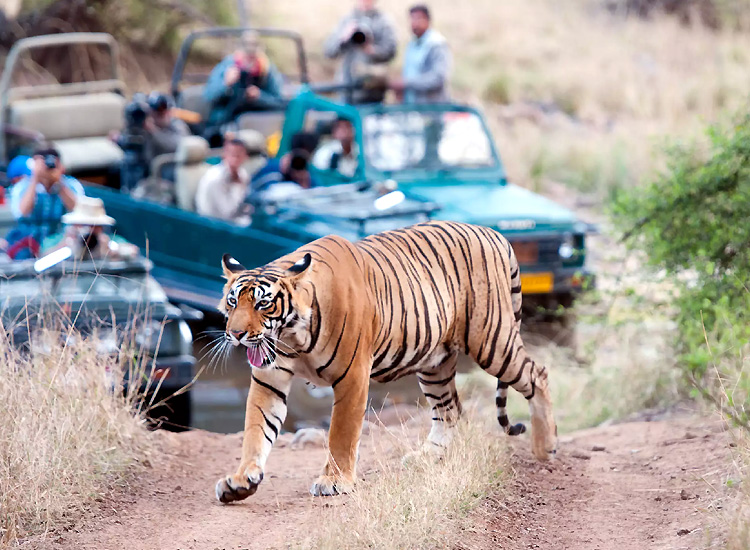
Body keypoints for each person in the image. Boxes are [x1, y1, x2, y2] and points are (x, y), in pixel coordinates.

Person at [8, 147, 84, 258]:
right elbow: (22, 212)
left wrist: (59, 183)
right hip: (29, 243)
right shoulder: (23, 186)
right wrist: (35, 178)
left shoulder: (71, 184)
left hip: (59, 242)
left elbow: (79, 211)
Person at [203, 32, 284, 132]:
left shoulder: (266, 69)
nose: (249, 62)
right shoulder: (227, 66)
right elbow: (209, 96)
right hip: (225, 122)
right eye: (247, 55)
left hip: (256, 123)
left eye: (252, 56)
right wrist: (226, 84)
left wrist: (259, 97)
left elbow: (279, 102)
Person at [323, 0, 397, 104]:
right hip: (347, 88)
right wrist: (344, 37)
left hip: (373, 89)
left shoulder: (383, 21)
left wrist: (371, 50)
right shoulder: (346, 20)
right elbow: (329, 51)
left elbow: (391, 51)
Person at [41, 196, 138, 261]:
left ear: (101, 227)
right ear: (74, 225)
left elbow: (133, 252)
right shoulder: (58, 240)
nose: (89, 230)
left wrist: (113, 251)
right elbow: (41, 261)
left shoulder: (111, 241)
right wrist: (64, 247)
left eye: (93, 225)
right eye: (83, 225)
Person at [389, 5, 451, 104]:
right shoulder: (412, 44)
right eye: (412, 19)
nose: (414, 23)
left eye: (418, 19)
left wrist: (407, 83)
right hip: (413, 107)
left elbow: (438, 78)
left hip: (431, 108)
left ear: (428, 20)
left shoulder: (436, 44)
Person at [195, 138, 252, 225]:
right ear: (224, 155)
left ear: (245, 157)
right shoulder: (215, 178)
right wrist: (236, 186)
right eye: (232, 155)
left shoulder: (243, 174)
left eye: (238, 155)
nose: (235, 159)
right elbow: (226, 213)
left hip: (230, 219)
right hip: (211, 223)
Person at [251, 133, 319, 191]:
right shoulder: (273, 167)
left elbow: (315, 193)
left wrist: (304, 182)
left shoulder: (309, 171)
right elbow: (253, 188)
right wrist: (280, 172)